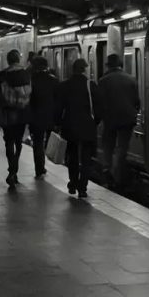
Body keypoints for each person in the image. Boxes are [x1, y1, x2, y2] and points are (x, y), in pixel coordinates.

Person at [56, 59, 101, 198]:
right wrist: (95, 123)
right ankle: (83, 188)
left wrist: (58, 123)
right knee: (86, 158)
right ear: (84, 69)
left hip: (70, 126)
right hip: (87, 126)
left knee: (72, 156)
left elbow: (58, 107)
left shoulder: (64, 85)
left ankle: (73, 183)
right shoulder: (91, 85)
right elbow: (99, 108)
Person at [98, 54, 140, 191]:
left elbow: (100, 102)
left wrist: (100, 117)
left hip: (110, 118)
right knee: (122, 147)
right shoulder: (131, 79)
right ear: (121, 65)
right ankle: (116, 175)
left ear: (108, 66)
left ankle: (106, 168)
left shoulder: (103, 80)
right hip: (127, 118)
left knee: (108, 144)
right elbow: (137, 101)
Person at [0, 50, 31, 186]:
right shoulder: (26, 73)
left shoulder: (1, 75)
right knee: (18, 141)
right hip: (22, 112)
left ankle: (12, 169)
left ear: (8, 60)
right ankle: (15, 169)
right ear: (18, 60)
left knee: (8, 142)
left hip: (8, 113)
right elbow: (29, 92)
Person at [29, 56, 58, 178]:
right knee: (49, 140)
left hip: (36, 117)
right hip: (50, 116)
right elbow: (58, 100)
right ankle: (47, 158)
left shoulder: (31, 80)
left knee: (38, 143)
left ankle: (39, 169)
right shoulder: (54, 81)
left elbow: (29, 101)